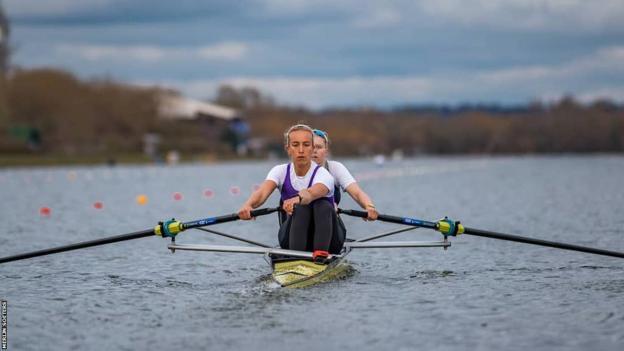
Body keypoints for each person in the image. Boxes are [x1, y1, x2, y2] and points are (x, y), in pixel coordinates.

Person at [238, 124, 341, 261]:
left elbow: (311, 193)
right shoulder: (279, 171)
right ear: (288, 149)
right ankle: (295, 259)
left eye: (306, 145)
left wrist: (296, 199)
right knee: (301, 209)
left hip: (329, 241)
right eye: (295, 145)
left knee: (321, 205)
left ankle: (320, 256)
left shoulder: (324, 175)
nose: (301, 150)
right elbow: (262, 193)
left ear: (312, 148)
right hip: (292, 237)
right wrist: (248, 205)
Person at [312, 129, 379, 221]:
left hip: (329, 222)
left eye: (319, 147)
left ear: (326, 150)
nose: (314, 151)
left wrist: (369, 207)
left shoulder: (335, 168)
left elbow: (357, 193)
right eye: (310, 146)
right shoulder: (292, 170)